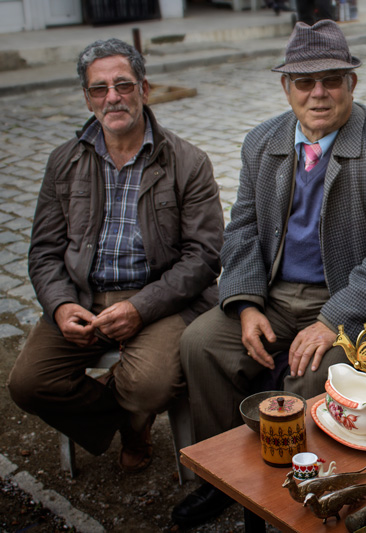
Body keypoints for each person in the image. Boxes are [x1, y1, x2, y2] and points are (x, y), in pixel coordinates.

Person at [172, 20, 366, 527]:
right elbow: (242, 230)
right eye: (304, 82)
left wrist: (333, 319)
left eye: (332, 79)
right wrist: (245, 306)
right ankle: (225, 479)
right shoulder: (262, 142)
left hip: (350, 297)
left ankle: (302, 493)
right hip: (272, 292)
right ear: (285, 87)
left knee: (316, 375)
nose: (318, 93)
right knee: (201, 343)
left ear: (352, 83)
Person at [7, 38, 223, 474]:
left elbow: (203, 256)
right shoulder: (63, 161)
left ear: (144, 88)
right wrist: (61, 304)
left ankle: (132, 411)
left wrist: (140, 308)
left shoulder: (187, 161)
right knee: (28, 385)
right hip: (84, 298)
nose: (113, 97)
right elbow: (45, 250)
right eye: (99, 88)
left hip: (161, 300)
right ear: (87, 98)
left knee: (150, 385)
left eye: (123, 85)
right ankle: (129, 423)